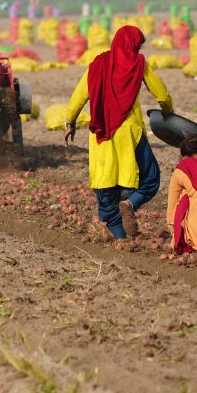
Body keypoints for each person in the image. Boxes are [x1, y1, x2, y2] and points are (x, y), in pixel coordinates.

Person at [64, 25, 173, 239]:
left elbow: (78, 97)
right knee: (150, 178)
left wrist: (70, 122)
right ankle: (130, 203)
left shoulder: (97, 64)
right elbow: (162, 95)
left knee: (106, 185)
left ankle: (120, 239)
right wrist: (169, 114)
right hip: (131, 132)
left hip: (102, 132)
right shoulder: (139, 64)